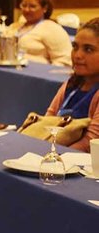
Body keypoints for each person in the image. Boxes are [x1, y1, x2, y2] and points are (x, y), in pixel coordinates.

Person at [45, 17, 99, 152]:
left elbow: (90, 142)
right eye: (75, 47)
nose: (78, 55)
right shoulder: (71, 84)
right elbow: (48, 121)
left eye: (88, 49)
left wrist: (52, 153)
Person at [8, 0, 73, 66]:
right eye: (24, 5)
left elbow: (64, 60)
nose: (26, 10)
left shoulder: (53, 29)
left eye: (32, 6)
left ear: (45, 8)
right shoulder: (15, 26)